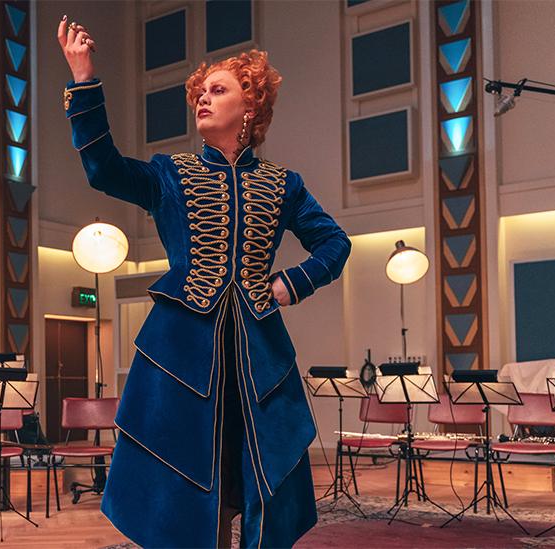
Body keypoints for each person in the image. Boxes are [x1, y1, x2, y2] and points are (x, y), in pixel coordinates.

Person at [57, 15, 350, 549]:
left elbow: (336, 245)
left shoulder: (284, 184)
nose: (204, 99)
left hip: (258, 350)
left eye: (219, 90)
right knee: (188, 468)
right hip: (183, 350)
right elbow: (102, 168)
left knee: (261, 469)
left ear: (251, 106)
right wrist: (83, 78)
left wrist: (290, 284)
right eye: (200, 92)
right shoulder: (170, 173)